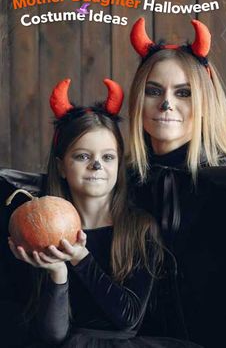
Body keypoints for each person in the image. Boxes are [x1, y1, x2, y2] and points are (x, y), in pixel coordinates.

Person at [6, 78, 202, 348]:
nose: (97, 165)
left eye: (107, 157)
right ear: (62, 167)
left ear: (119, 165)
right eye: (83, 156)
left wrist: (80, 257)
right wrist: (58, 273)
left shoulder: (139, 228)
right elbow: (53, 336)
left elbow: (128, 319)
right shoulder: (40, 230)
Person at [128, 17, 226, 348]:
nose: (167, 103)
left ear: (205, 102)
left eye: (184, 93)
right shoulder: (120, 182)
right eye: (154, 90)